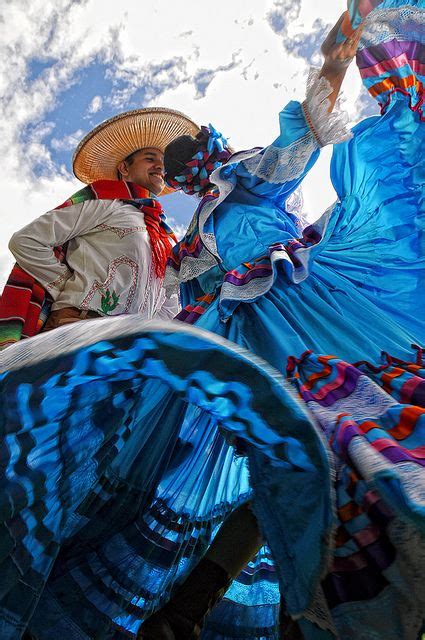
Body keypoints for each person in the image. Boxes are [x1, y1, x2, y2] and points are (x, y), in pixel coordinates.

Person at [0, 1, 424, 639]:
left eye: (185, 162)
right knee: (272, 446)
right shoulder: (188, 235)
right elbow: (161, 289)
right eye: (177, 171)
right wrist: (88, 309)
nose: (185, 175)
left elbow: (303, 131)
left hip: (302, 298)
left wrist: (335, 61)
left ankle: (309, 572)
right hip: (240, 325)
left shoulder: (250, 177)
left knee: (330, 417)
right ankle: (200, 604)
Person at [0, 107, 199, 345]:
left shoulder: (166, 239)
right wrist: (69, 284)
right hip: (77, 330)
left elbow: (168, 306)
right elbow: (27, 241)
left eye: (162, 162)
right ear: (124, 169)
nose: (159, 166)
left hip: (127, 351)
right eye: (149, 158)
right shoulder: (105, 204)